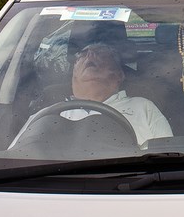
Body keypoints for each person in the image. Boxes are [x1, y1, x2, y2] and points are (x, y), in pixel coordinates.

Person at [20, 41, 172, 146]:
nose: (90, 56)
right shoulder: (46, 115)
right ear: (74, 70)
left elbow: (167, 159)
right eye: (83, 54)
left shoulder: (143, 108)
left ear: (119, 74)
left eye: (100, 53)